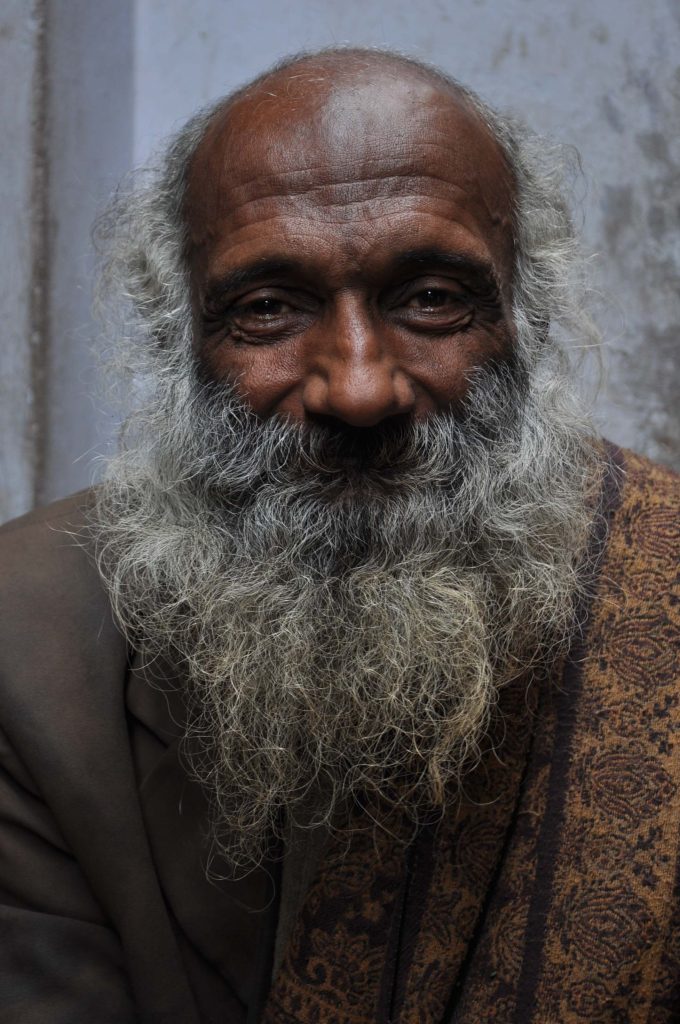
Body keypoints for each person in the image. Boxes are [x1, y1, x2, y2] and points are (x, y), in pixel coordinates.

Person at [0, 47, 678, 1024]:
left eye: (430, 299)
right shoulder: (25, 649)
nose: (358, 388)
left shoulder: (650, 594)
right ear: (174, 342)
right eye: (268, 308)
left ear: (524, 321)